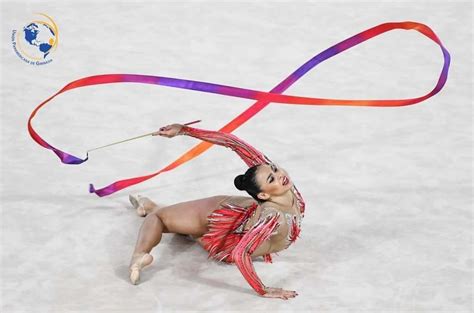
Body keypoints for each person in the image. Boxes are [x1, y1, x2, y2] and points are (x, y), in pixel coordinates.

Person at [128, 123, 305, 300]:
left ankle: (151, 210)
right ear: (264, 194)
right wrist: (184, 130)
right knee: (160, 219)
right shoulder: (273, 215)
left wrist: (185, 130)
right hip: (224, 213)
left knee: (168, 220)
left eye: (275, 169)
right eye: (271, 178)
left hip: (226, 232)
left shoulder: (281, 195)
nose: (279, 174)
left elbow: (239, 253)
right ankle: (140, 255)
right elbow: (233, 142)